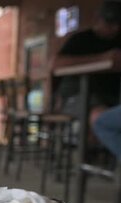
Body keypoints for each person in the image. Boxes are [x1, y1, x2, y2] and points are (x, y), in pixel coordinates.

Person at [52, 0, 121, 129]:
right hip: (79, 95)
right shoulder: (81, 39)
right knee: (100, 117)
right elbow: (56, 65)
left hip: (112, 98)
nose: (115, 28)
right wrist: (103, 59)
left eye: (118, 23)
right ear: (98, 19)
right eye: (110, 22)